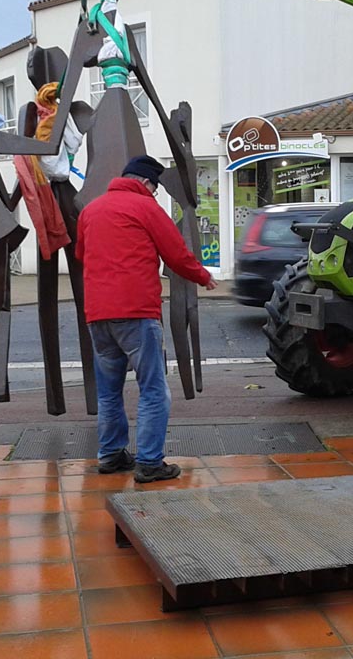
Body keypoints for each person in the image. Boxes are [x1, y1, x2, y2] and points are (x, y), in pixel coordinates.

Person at [76, 155, 217, 483]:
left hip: (97, 315)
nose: (154, 194)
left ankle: (111, 455)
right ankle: (150, 462)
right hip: (136, 312)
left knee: (109, 390)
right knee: (153, 388)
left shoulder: (90, 211)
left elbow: (82, 255)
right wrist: (202, 276)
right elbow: (176, 253)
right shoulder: (146, 208)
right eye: (154, 188)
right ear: (146, 183)